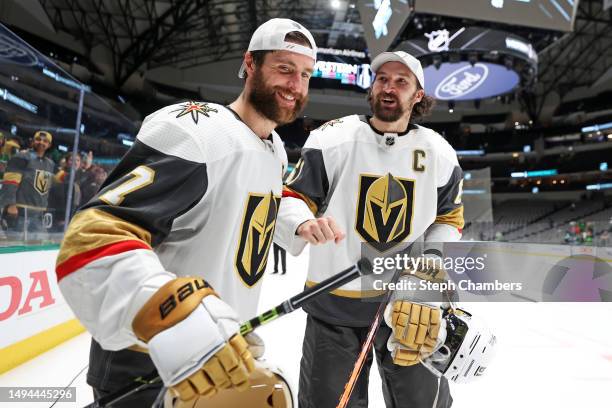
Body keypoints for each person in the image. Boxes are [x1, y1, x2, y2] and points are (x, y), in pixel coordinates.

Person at [55, 18, 316, 407]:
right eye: (283, 68)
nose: (295, 85)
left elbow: (256, 207)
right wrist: (173, 311)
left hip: (218, 354)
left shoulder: (274, 148)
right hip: (149, 360)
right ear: (250, 63)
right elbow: (92, 238)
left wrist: (300, 221)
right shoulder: (199, 130)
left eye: (305, 74)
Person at [275, 51, 464, 407]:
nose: (389, 87)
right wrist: (301, 221)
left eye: (401, 81)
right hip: (333, 306)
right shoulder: (331, 138)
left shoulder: (440, 153)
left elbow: (448, 220)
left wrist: (430, 265)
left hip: (409, 306)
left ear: (418, 95)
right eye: (382, 79)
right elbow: (292, 196)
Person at [0, 130, 54, 239]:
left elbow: (46, 188)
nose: (41, 143)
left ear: (49, 145)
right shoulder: (21, 156)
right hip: (20, 212)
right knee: (14, 245)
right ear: (32, 141)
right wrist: (10, 204)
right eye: (38, 139)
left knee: (37, 250)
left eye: (45, 141)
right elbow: (10, 183)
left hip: (39, 214)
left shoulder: (50, 163)